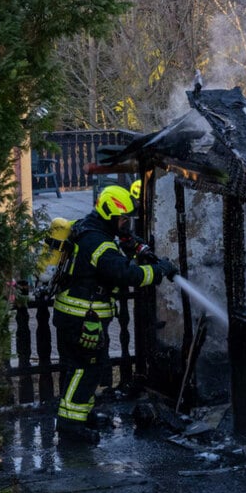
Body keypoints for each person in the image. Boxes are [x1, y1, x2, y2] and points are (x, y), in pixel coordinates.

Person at [53, 185, 177, 444]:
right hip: (82, 316)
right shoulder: (99, 243)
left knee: (83, 368)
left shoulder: (87, 228)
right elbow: (126, 274)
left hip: (72, 312)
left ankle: (80, 416)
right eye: (122, 219)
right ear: (109, 214)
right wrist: (159, 270)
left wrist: (132, 245)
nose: (125, 224)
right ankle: (69, 427)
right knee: (85, 369)